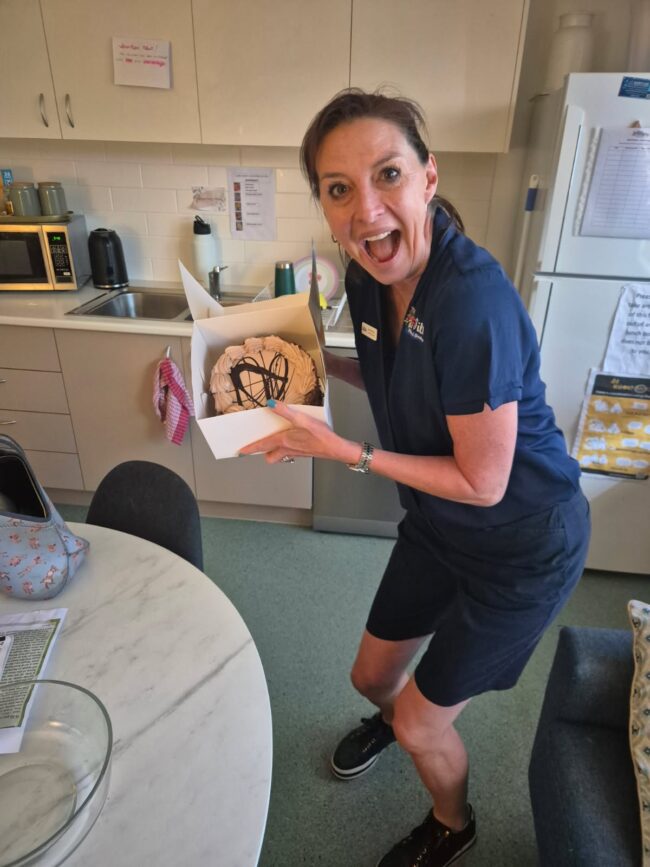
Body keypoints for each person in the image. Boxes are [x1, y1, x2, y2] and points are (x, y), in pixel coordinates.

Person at [239, 88, 591, 867]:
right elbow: (392, 369)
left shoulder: (473, 302)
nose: (365, 211)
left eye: (388, 174)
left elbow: (485, 482)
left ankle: (452, 823)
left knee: (424, 723)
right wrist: (292, 377)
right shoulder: (367, 277)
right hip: (439, 523)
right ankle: (397, 720)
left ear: (428, 177)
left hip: (522, 544)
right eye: (339, 189)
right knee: (372, 676)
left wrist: (346, 452)